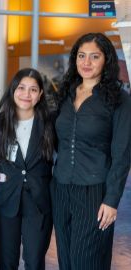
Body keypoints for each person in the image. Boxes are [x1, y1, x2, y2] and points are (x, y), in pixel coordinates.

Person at [52, 32, 131, 270]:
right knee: (65, 260)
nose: (86, 62)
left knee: (86, 261)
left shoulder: (119, 99)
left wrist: (112, 199)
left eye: (94, 57)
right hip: (61, 188)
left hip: (95, 192)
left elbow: (122, 153)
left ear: (106, 60)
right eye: (81, 56)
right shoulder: (64, 94)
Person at [0, 68, 55, 270]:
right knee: (6, 262)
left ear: (40, 95)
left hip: (39, 202)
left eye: (33, 89)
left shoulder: (49, 123)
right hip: (6, 200)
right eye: (21, 88)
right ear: (13, 90)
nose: (26, 95)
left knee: (35, 262)